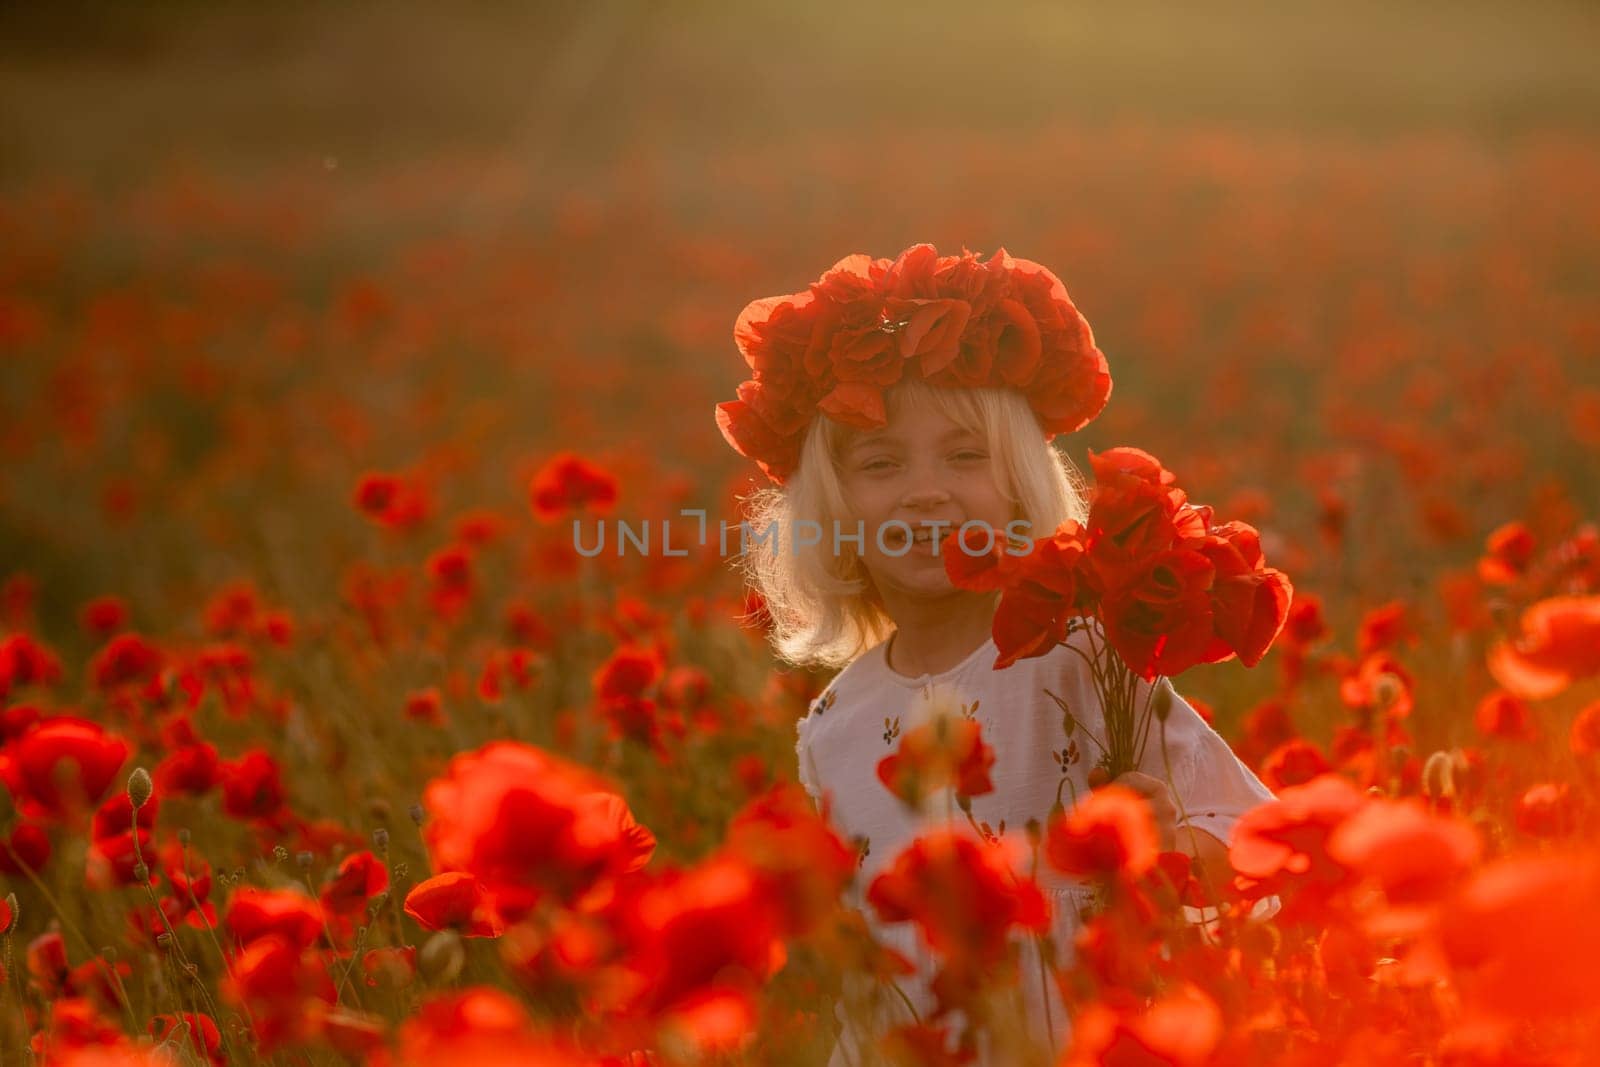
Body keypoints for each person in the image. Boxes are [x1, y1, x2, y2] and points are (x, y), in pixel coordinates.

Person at [715, 244, 1276, 1065]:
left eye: (966, 455)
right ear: (833, 512)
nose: (926, 490)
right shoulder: (835, 724)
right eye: (880, 464)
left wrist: (1174, 837)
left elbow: (1259, 841)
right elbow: (867, 977)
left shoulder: (1083, 658)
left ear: (1021, 484)